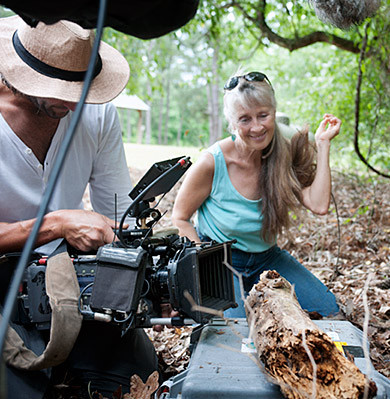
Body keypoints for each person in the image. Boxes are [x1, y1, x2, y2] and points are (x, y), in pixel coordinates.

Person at [0, 16, 157, 398]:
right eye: (60, 89)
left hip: (66, 276)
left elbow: (118, 212)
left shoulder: (96, 112)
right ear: (23, 76)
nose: (75, 103)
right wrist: (54, 225)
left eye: (82, 88)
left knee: (133, 371)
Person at [172, 71, 341, 318]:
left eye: (263, 115)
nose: (257, 127)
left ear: (274, 112)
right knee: (234, 336)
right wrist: (202, 274)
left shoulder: (285, 147)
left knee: (329, 312)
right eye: (245, 119)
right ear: (231, 122)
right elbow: (180, 218)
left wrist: (323, 144)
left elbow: (319, 204)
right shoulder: (212, 163)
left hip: (266, 258)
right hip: (220, 261)